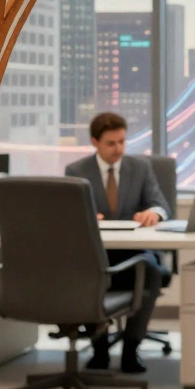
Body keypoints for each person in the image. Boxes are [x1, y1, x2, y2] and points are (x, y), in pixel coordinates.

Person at [64, 112, 172, 374]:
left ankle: (131, 349)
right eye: (111, 143)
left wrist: (153, 213)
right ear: (95, 142)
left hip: (133, 253)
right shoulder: (77, 171)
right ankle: (99, 347)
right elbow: (65, 214)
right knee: (82, 273)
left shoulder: (140, 168)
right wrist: (84, 215)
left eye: (122, 142)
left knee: (152, 271)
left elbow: (161, 205)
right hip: (96, 254)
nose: (119, 149)